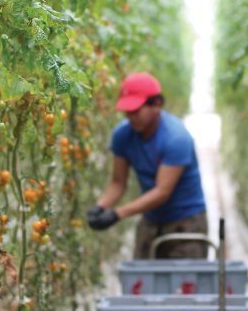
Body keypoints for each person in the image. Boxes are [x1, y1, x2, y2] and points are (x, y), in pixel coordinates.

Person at [87, 72, 208, 259]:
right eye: (127, 112)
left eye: (136, 111)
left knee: (185, 285)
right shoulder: (123, 136)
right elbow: (118, 182)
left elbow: (162, 192)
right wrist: (100, 207)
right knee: (142, 283)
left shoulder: (176, 138)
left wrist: (117, 214)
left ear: (157, 105)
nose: (131, 117)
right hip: (151, 219)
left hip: (186, 221)